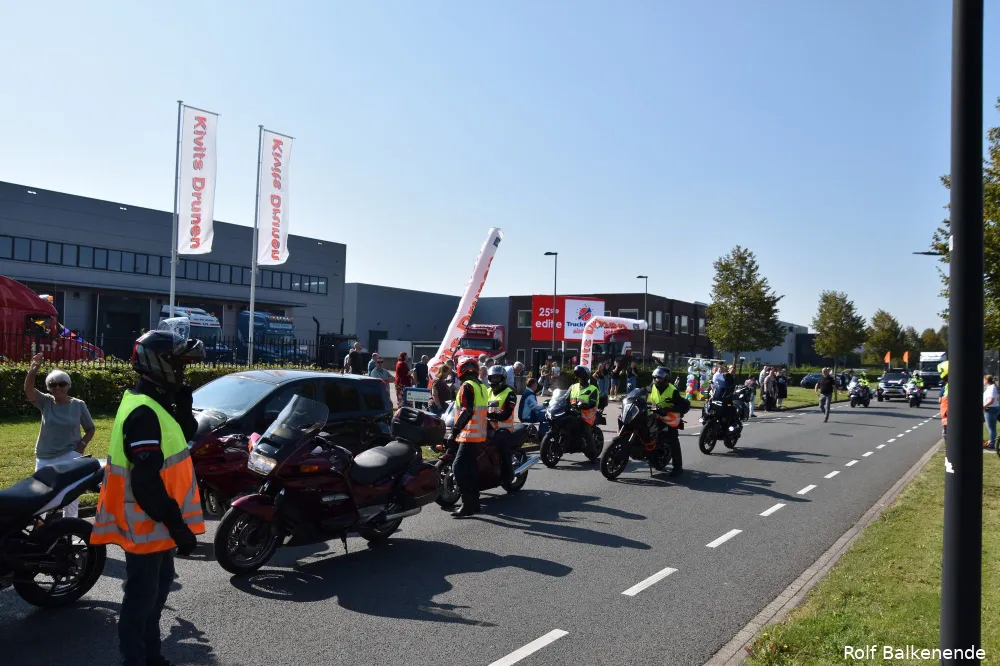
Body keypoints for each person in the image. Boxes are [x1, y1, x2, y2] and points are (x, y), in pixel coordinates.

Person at [91, 325, 205, 666]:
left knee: (155, 596)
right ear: (159, 363)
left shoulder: (154, 402)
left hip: (157, 524)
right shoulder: (144, 412)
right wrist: (178, 526)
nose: (182, 371)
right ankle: (135, 660)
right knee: (141, 600)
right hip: (147, 522)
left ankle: (152, 657)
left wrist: (183, 405)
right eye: (179, 365)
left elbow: (183, 434)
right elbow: (145, 481)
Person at [23, 353, 96, 519]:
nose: (57, 388)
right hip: (45, 456)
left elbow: (90, 428)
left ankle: (70, 525)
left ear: (68, 385)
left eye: (61, 384)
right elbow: (28, 390)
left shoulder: (78, 405)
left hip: (70, 455)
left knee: (70, 495)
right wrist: (34, 369)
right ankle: (39, 527)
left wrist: (81, 447)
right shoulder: (45, 402)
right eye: (53, 385)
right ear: (48, 387)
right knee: (39, 495)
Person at [446, 358, 491, 517]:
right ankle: (475, 503)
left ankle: (467, 505)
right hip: (479, 434)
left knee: (458, 467)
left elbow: (467, 410)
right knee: (472, 469)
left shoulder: (467, 386)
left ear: (460, 371)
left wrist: (454, 431)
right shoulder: (481, 386)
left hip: (468, 434)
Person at [646, 366, 688, 476]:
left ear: (666, 378)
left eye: (660, 378)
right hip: (656, 414)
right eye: (656, 377)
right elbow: (644, 391)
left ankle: (678, 467)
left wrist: (667, 409)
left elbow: (683, 406)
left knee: (673, 439)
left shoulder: (673, 390)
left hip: (670, 417)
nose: (657, 380)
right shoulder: (653, 385)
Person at [485, 365, 516, 484]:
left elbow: (506, 414)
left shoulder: (510, 393)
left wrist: (492, 415)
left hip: (504, 428)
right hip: (487, 425)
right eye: (492, 378)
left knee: (500, 441)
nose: (494, 380)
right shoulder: (487, 391)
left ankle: (509, 472)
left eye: (497, 378)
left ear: (503, 378)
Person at [569, 365, 600, 460]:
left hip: (587, 415)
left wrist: (586, 405)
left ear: (586, 376)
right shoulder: (573, 387)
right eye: (577, 375)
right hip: (573, 412)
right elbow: (564, 397)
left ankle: (593, 453)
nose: (579, 377)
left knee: (586, 429)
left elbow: (593, 402)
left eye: (581, 375)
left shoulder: (593, 389)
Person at [984, 375, 999, 450]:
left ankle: (992, 444)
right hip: (994, 408)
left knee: (991, 428)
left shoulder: (991, 388)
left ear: (986, 380)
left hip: (990, 409)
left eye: (984, 379)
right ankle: (991, 442)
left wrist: (983, 407)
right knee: (992, 428)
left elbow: (991, 400)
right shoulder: (993, 387)